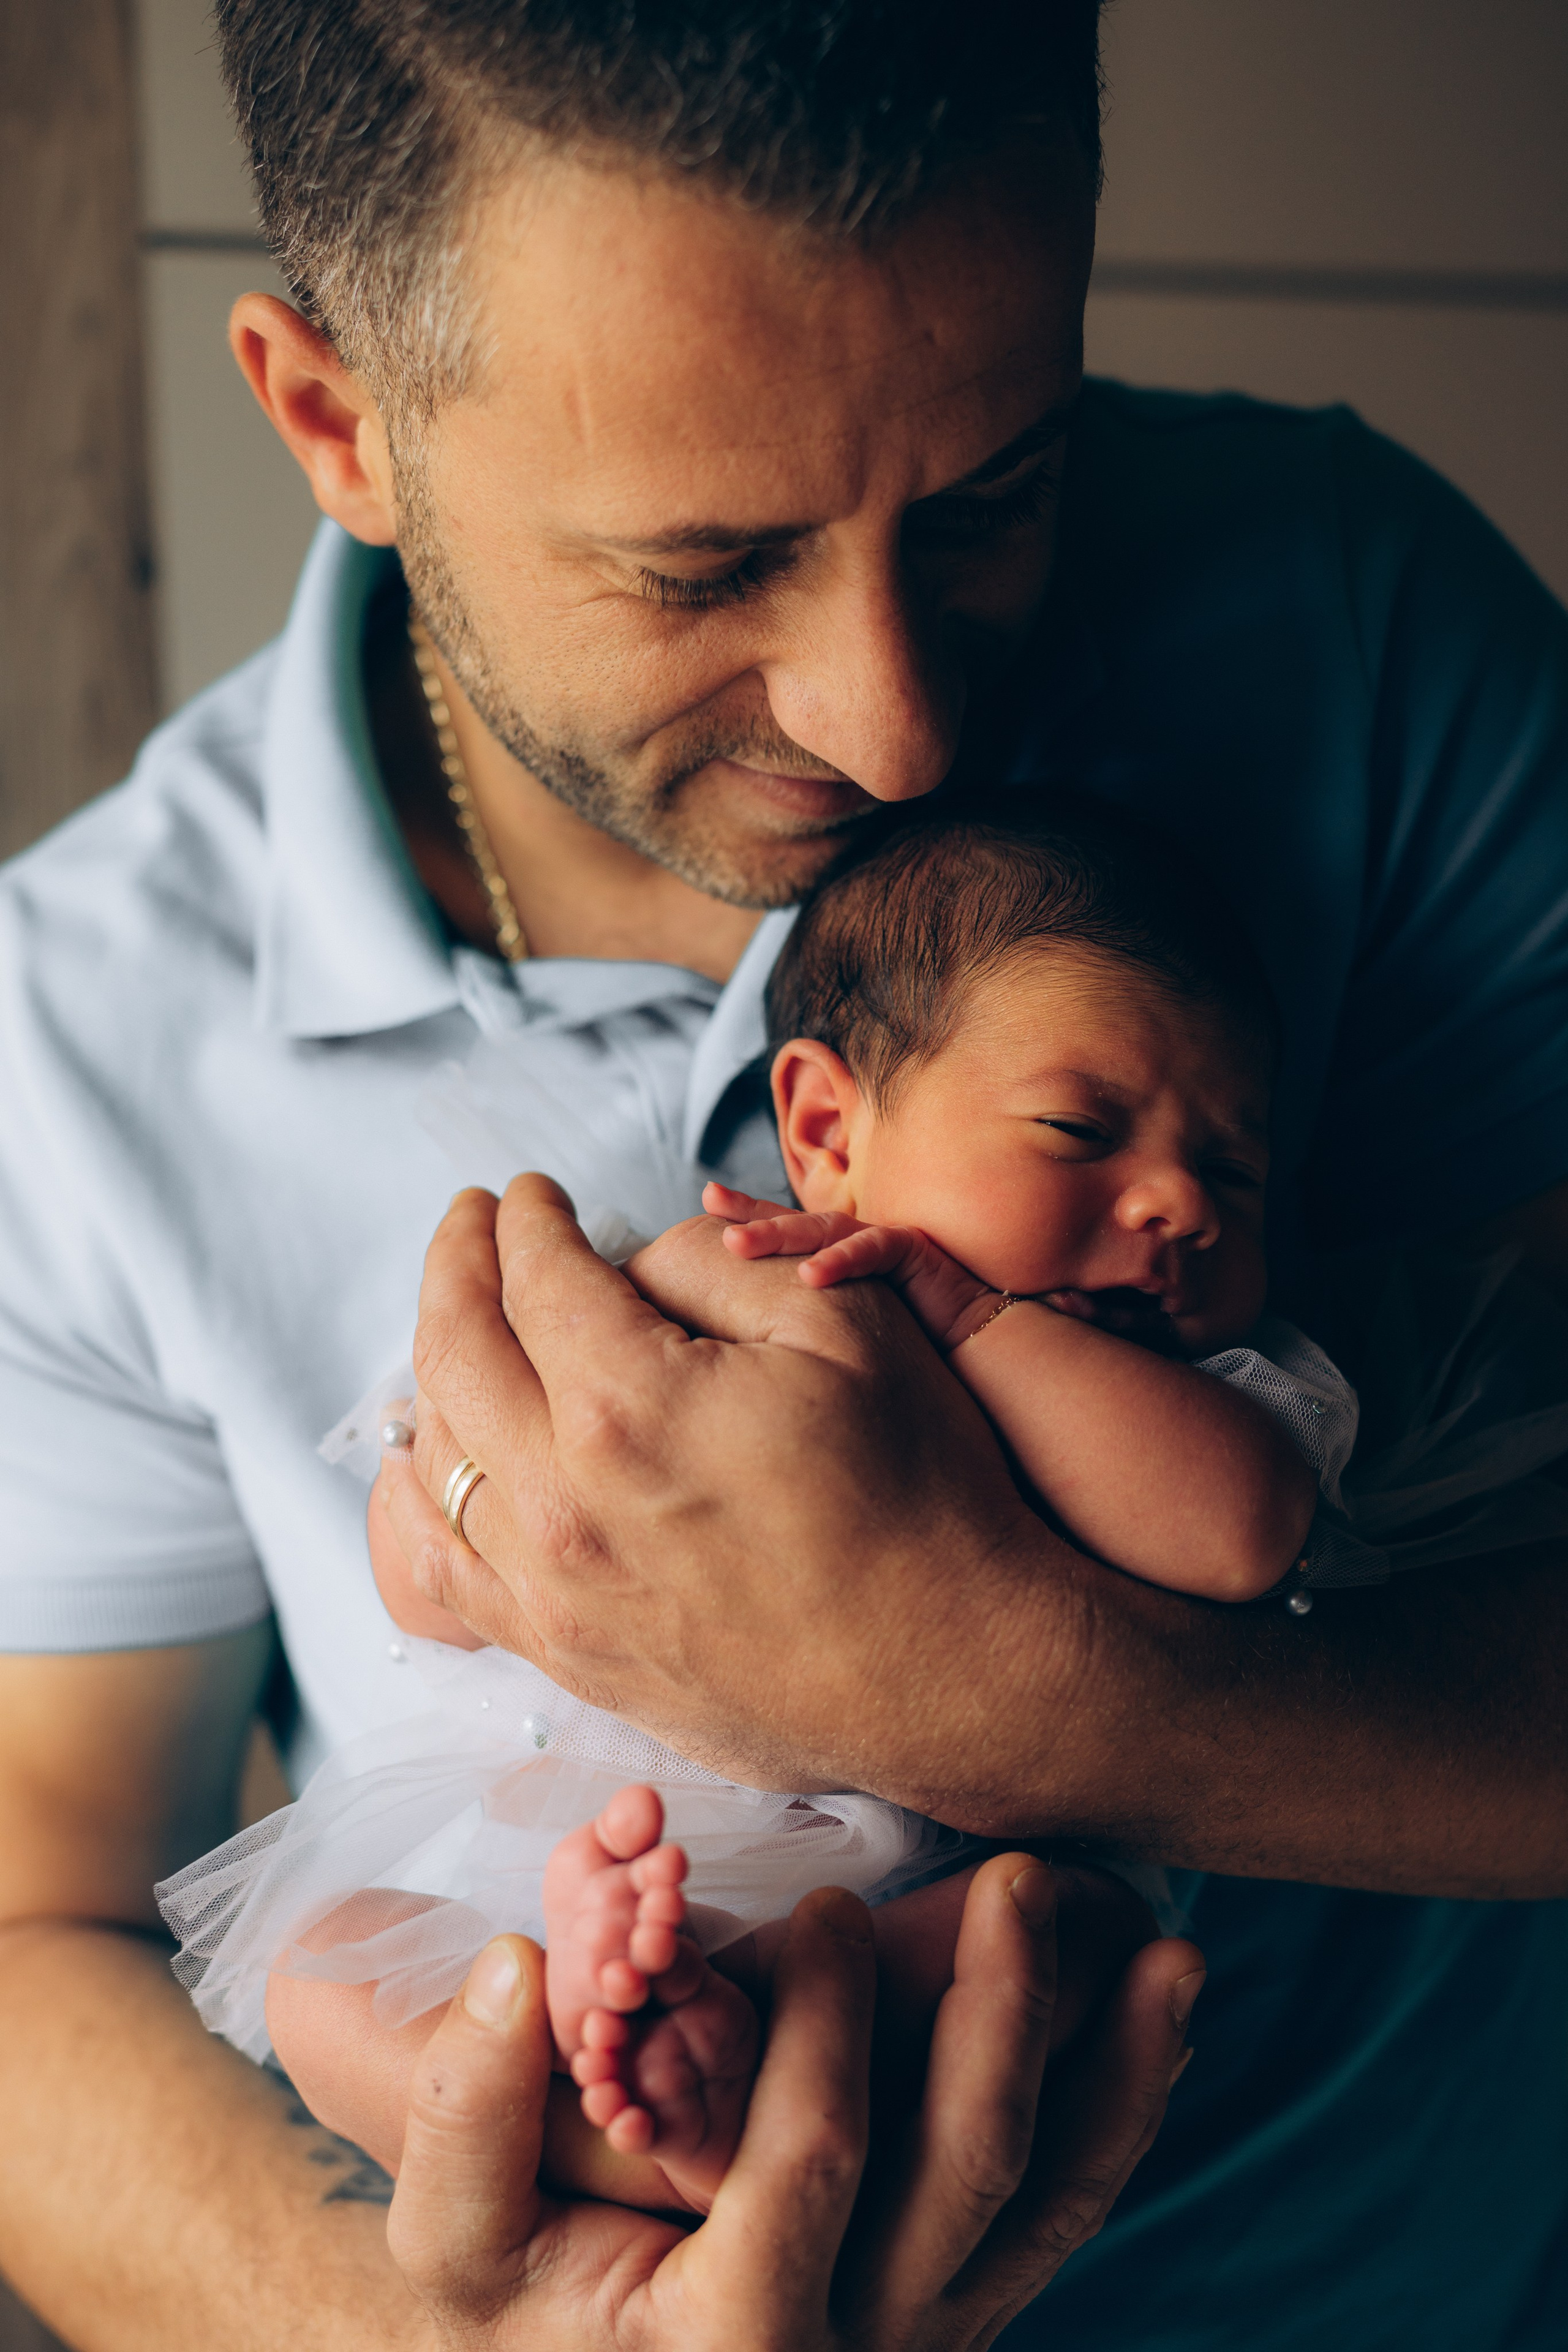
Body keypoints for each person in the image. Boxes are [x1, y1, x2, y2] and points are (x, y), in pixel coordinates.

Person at [0, 2, 1563, 2346]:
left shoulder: (1364, 629)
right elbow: (42, 1921)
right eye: (705, 565)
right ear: (340, 423)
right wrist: (455, 2331)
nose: (899, 721)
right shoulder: (79, 1031)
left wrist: (1032, 1700)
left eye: (995, 494)